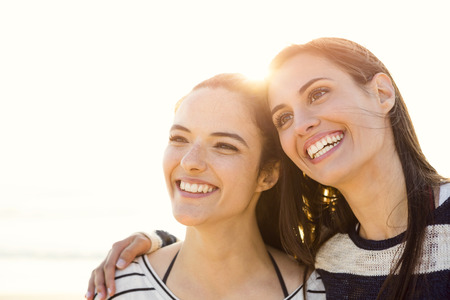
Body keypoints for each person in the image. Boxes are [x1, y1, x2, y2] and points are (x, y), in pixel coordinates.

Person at [87, 38, 450, 299]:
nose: (303, 123)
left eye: (319, 93)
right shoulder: (330, 261)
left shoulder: (318, 278)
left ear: (382, 94)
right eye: (284, 117)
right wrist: (154, 243)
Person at [89, 73, 325, 300]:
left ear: (267, 175)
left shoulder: (315, 291)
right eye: (179, 139)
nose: (189, 161)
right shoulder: (120, 285)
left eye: (224, 145)